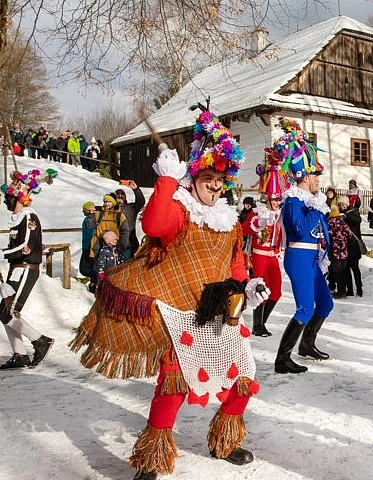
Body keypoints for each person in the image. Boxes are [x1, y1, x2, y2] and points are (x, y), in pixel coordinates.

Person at [70, 107, 268, 480]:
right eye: (208, 178)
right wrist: (165, 181)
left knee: (242, 380)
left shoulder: (227, 220)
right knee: (174, 386)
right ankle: (152, 458)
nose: (215, 186)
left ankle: (224, 440)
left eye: (219, 180)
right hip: (182, 316)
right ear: (195, 177)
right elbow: (154, 224)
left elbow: (235, 263)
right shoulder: (180, 209)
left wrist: (249, 285)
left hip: (221, 315)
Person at [273, 117, 335, 374]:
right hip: (298, 256)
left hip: (311, 258)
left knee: (326, 304)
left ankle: (307, 344)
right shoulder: (294, 201)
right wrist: (315, 207)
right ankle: (282, 358)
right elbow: (299, 228)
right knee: (305, 307)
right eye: (315, 175)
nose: (319, 179)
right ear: (304, 176)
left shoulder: (310, 199)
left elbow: (321, 230)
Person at [0, 168, 58, 370]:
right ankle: (20, 355)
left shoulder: (28, 218)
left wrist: (0, 254)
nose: (6, 202)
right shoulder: (18, 219)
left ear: (19, 200)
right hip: (16, 269)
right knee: (5, 312)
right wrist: (0, 253)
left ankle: (40, 340)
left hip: (26, 269)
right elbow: (14, 247)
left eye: (9, 199)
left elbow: (24, 246)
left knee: (9, 312)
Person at [244, 148, 289, 337]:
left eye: (279, 199)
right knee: (260, 290)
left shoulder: (281, 216)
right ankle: (257, 325)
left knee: (276, 292)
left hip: (273, 257)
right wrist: (259, 223)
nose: (278, 202)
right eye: (275, 199)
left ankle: (262, 322)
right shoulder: (258, 213)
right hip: (259, 255)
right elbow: (245, 229)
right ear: (267, 199)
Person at [91, 193, 131, 261]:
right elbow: (90, 226)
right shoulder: (98, 213)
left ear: (113, 202)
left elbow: (125, 232)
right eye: (105, 201)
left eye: (109, 201)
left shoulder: (120, 216)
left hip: (114, 247)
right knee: (99, 268)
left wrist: (121, 245)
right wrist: (90, 215)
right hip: (99, 247)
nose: (106, 204)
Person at [337, 196, 364, 296]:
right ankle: (350, 290)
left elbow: (357, 221)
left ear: (347, 204)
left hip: (353, 244)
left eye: (342, 204)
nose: (341, 206)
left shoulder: (353, 211)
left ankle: (359, 289)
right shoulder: (339, 214)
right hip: (343, 246)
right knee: (346, 269)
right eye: (339, 205)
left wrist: (345, 216)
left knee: (355, 268)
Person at [328, 205, 356, 298]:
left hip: (335, 251)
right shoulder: (343, 222)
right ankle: (343, 290)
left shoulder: (330, 223)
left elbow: (326, 237)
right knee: (343, 272)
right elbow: (350, 234)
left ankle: (340, 292)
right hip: (344, 251)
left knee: (337, 272)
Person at [115, 180, 146, 259]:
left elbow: (141, 202)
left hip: (129, 244)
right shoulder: (110, 209)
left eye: (122, 194)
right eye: (117, 194)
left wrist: (136, 189)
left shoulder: (131, 207)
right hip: (113, 244)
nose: (120, 196)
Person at [80, 201, 98, 292]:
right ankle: (93, 279)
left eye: (84, 210)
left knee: (86, 268)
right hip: (85, 245)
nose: (83, 212)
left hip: (90, 246)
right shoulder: (87, 219)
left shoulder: (92, 219)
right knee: (84, 268)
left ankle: (94, 280)